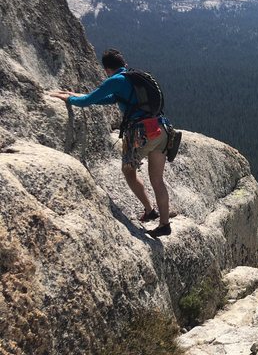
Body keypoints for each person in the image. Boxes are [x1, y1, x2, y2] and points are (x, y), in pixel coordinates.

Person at [50, 48, 172, 237]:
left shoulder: (115, 80)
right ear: (123, 63)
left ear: (107, 69)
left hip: (141, 132)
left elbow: (88, 101)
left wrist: (70, 98)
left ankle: (149, 210)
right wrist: (77, 94)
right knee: (157, 180)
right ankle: (164, 224)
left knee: (128, 170)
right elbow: (110, 99)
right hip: (161, 128)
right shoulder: (133, 77)